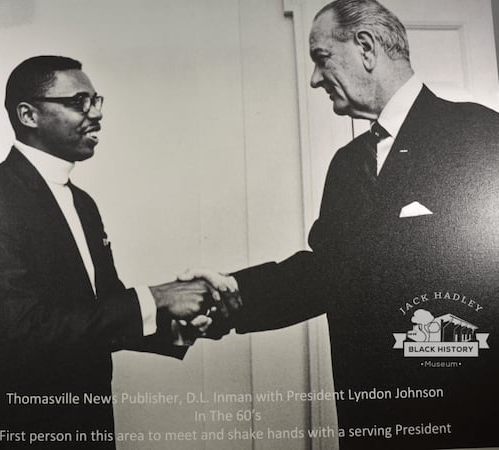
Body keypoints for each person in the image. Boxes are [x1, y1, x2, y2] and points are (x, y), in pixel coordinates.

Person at [183, 1, 499, 448]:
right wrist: (230, 295)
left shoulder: (481, 134)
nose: (314, 79)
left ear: (366, 47)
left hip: (466, 425)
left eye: (321, 58)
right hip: (369, 427)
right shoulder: (347, 164)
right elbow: (326, 274)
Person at [0, 55, 212, 449]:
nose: (96, 115)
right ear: (28, 114)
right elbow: (16, 336)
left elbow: (101, 309)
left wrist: (175, 320)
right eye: (79, 102)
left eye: (97, 101)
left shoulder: (83, 203)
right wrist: (156, 298)